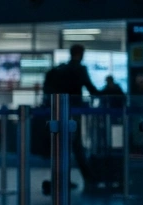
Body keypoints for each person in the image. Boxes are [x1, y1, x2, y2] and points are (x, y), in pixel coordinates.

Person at [41, 44, 102, 194]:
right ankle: (87, 178)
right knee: (74, 145)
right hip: (74, 111)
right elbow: (90, 88)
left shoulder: (59, 70)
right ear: (81, 54)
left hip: (58, 112)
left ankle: (63, 179)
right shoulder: (79, 69)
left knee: (64, 145)